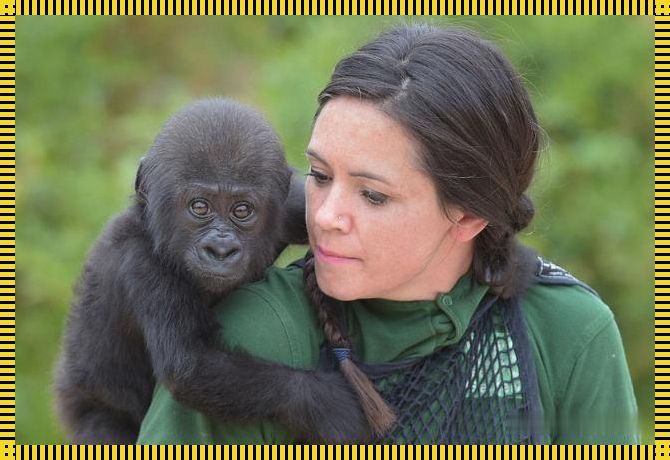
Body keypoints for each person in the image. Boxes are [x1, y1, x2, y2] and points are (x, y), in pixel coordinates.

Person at [136, 24, 639, 444]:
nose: (326, 216)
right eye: (319, 175)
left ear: (468, 216)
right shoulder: (257, 335)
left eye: (373, 196)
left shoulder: (568, 331)